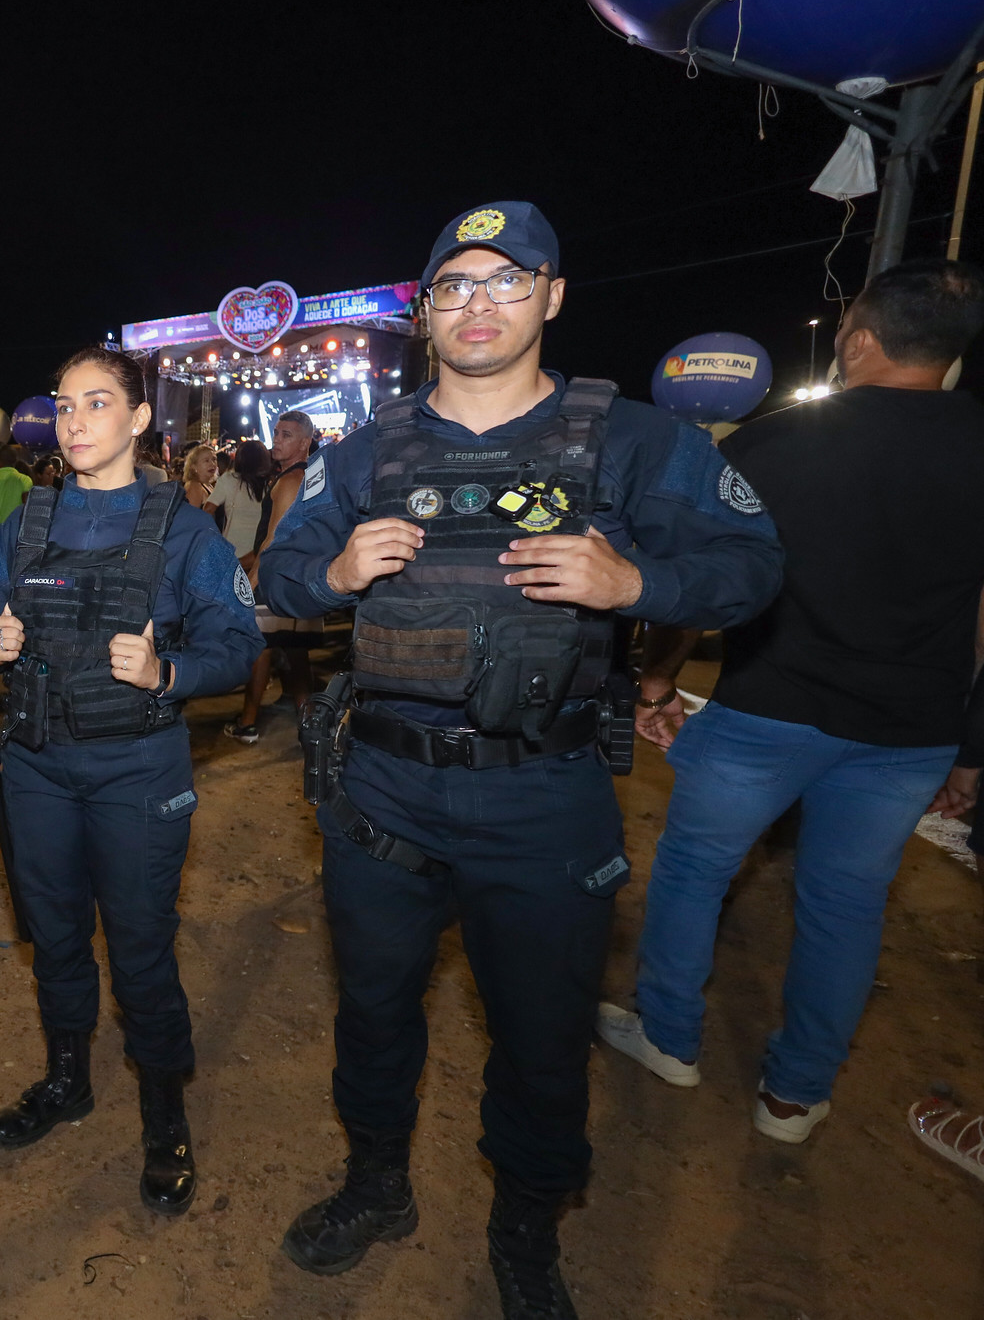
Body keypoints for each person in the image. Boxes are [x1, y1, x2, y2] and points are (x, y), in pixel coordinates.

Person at [257, 201, 783, 1316]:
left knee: (541, 1043)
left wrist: (636, 587)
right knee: (373, 1013)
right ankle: (374, 1185)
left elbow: (749, 563)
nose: (477, 304)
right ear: (424, 313)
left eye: (505, 280)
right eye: (452, 286)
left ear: (550, 295)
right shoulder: (364, 450)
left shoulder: (629, 439)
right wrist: (333, 573)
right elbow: (275, 579)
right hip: (381, 793)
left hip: (541, 798)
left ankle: (525, 1229)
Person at [599, 258, 984, 1146]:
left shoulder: (774, 445)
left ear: (857, 338)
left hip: (769, 708)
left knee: (697, 869)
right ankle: (794, 1096)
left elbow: (705, 580)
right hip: (910, 730)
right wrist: (971, 746)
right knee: (847, 903)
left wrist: (655, 680)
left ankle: (668, 1036)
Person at [0, 346, 262, 1215]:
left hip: (137, 768)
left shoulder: (184, 528)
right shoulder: (23, 523)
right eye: (62, 405)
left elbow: (239, 643)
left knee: (138, 945)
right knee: (54, 936)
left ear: (139, 420)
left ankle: (165, 1113)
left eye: (97, 403)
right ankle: (68, 1080)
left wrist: (169, 672)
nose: (74, 421)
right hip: (35, 767)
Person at [226, 411, 318, 744]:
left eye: (287, 435)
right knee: (293, 650)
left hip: (278, 576)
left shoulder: (293, 479)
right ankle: (309, 726)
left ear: (305, 442)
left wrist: (250, 580)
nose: (276, 440)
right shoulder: (299, 475)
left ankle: (248, 723)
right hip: (293, 577)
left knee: (260, 647)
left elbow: (274, 538)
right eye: (276, 433)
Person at [180, 443, 219, 514]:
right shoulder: (194, 486)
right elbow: (190, 517)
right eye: (206, 461)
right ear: (194, 466)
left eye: (214, 459)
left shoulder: (208, 485)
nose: (212, 464)